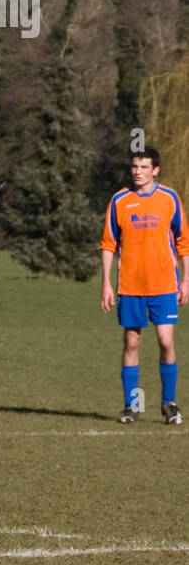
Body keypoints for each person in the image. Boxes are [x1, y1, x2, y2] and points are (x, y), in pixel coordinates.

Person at [100, 147, 188, 424]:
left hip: (164, 284)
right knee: (132, 342)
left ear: (155, 170)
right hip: (130, 286)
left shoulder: (170, 198)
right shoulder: (119, 200)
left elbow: (183, 242)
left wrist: (186, 280)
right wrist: (106, 283)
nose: (138, 172)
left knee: (166, 340)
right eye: (135, 167)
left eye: (144, 167)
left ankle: (169, 403)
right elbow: (108, 244)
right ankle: (132, 406)